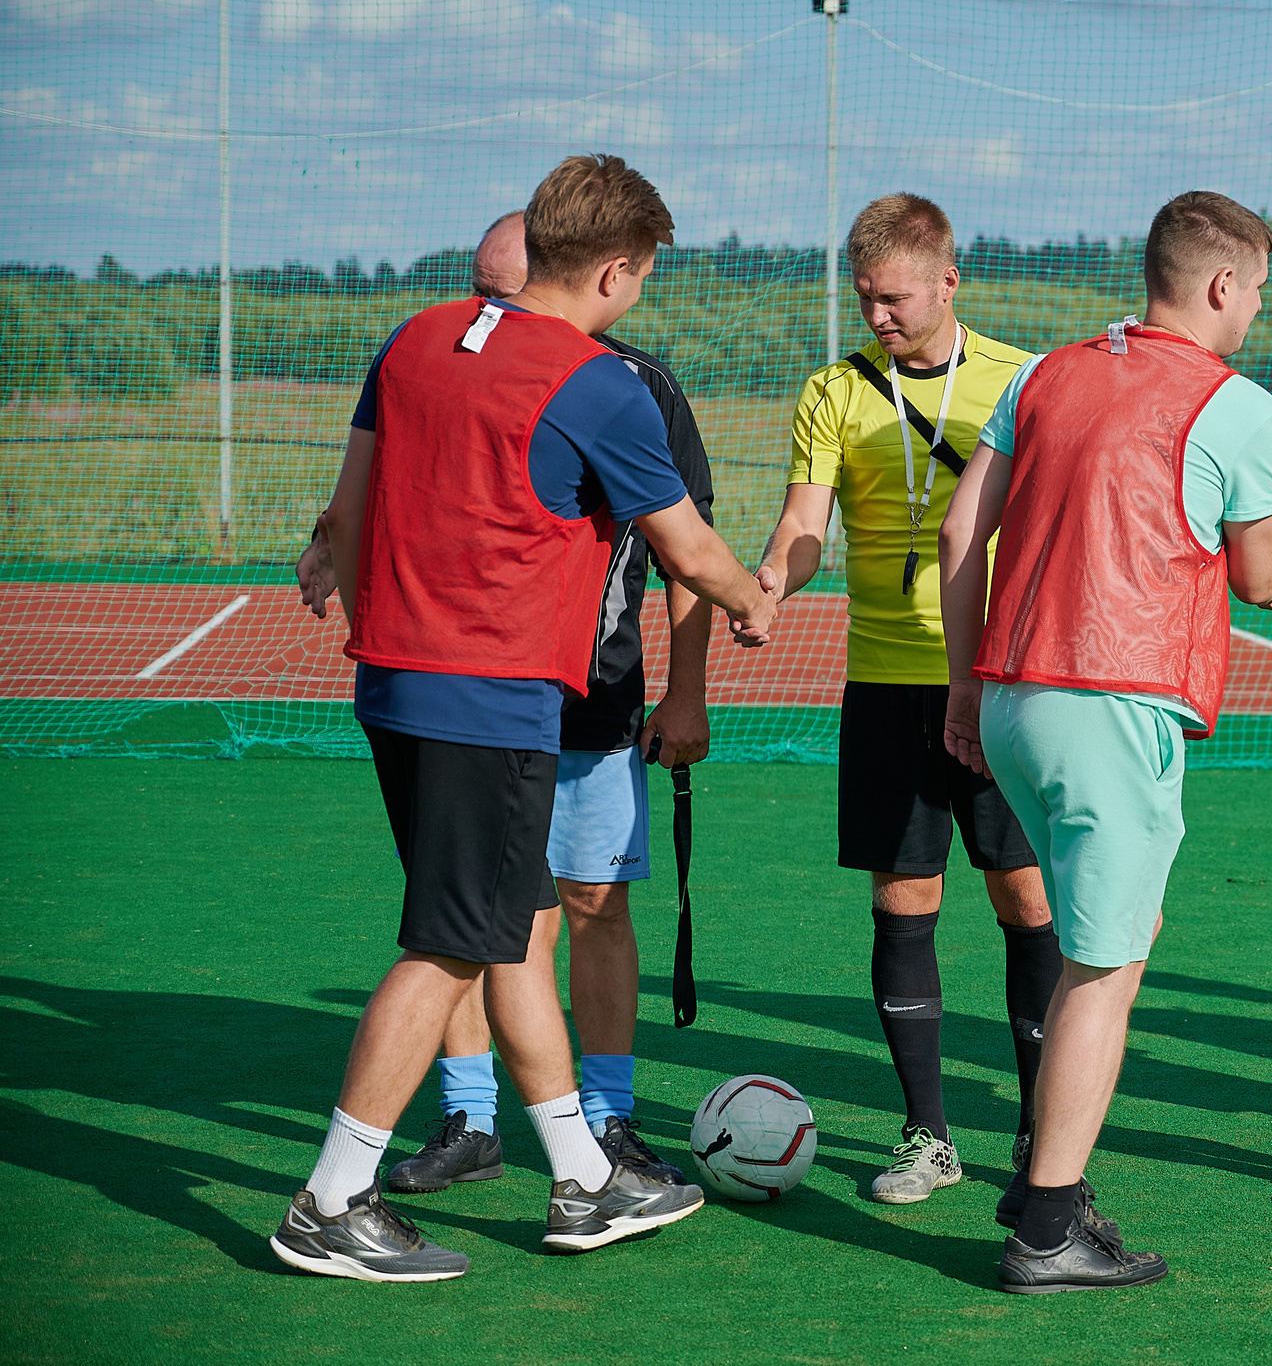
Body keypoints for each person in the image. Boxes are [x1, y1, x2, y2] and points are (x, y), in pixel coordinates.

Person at [269, 155, 779, 1282]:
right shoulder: (598, 382)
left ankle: (583, 1177)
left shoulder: (410, 339)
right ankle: (332, 1198)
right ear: (615, 269)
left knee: (501, 928)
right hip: (490, 700)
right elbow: (687, 547)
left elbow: (345, 507)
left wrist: (331, 558)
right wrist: (757, 600)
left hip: (394, 687)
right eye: (642, 274)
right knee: (450, 947)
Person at [940, 190, 1272, 1294]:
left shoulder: (1045, 371)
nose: (1256, 317)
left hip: (1010, 700)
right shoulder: (1237, 404)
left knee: (1093, 946)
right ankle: (1046, 1227)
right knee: (1105, 966)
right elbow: (1266, 582)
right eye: (1258, 294)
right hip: (1114, 702)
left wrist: (962, 688)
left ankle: (1044, 1182)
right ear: (1223, 285)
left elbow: (962, 530)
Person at [751, 193, 1060, 1207]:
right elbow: (805, 527)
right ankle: (927, 1136)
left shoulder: (1021, 381)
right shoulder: (833, 393)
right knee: (903, 899)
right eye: (864, 301)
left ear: (946, 281)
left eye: (891, 300)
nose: (876, 318)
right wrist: (763, 588)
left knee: (1027, 898)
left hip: (1006, 680)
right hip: (885, 684)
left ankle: (1036, 1127)